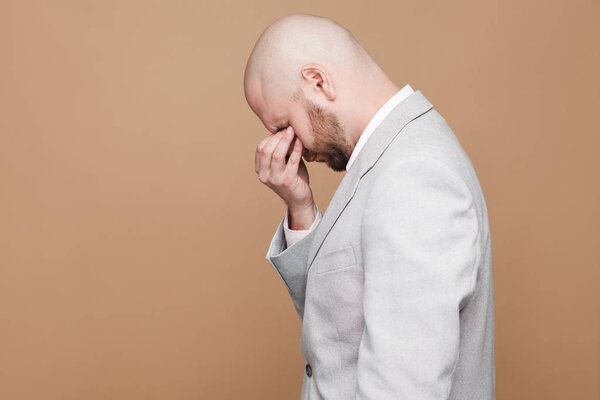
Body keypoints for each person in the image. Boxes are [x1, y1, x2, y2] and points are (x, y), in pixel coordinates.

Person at [244, 13, 495, 400]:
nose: (292, 146)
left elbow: (402, 390)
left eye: (284, 125)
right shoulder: (388, 160)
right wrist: (301, 206)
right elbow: (339, 325)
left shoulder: (413, 174)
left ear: (317, 81)